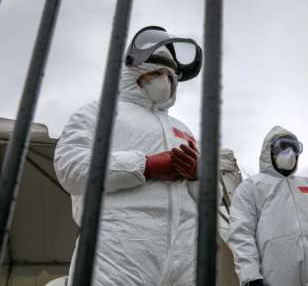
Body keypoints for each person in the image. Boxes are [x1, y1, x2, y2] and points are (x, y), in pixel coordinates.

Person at [54, 26, 202, 286]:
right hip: (118, 250)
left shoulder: (183, 130)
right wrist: (146, 166)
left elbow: (209, 200)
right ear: (134, 70)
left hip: (186, 255)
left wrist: (197, 175)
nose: (165, 80)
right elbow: (69, 167)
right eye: (157, 71)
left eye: (170, 74)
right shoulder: (98, 113)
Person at [228, 126, 308, 286]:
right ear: (269, 151)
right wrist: (251, 276)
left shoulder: (307, 185)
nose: (289, 152)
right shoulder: (252, 186)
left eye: (294, 148)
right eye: (282, 146)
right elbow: (241, 233)